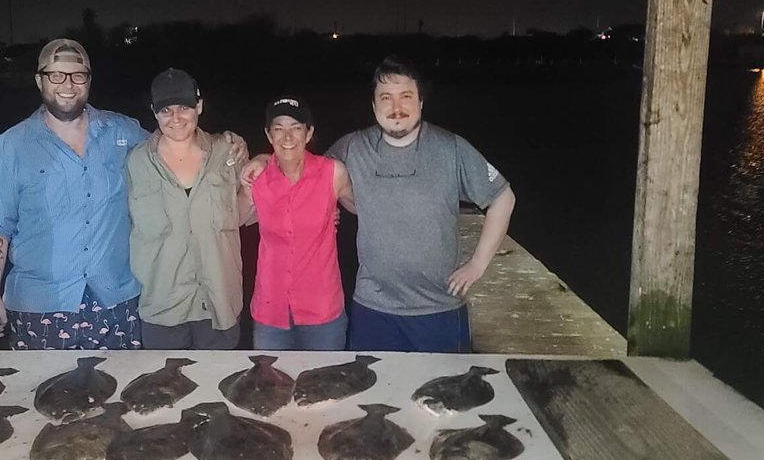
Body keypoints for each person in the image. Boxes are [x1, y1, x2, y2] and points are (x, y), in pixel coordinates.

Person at [243, 57, 515, 353]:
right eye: (386, 98)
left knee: (442, 394)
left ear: (421, 102)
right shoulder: (353, 148)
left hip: (438, 307)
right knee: (372, 396)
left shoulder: (451, 148)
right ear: (374, 106)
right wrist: (262, 160)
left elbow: (503, 196)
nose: (396, 107)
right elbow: (305, 168)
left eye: (406, 96)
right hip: (372, 308)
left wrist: (478, 264)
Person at [0, 38, 148, 349]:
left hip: (116, 302)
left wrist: (230, 147)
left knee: (120, 395)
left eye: (77, 76)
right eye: (56, 75)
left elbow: (176, 149)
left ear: (89, 81)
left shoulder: (123, 132)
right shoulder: (10, 147)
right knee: (39, 395)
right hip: (39, 306)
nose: (67, 85)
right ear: (40, 80)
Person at [126, 68, 251, 349]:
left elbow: (247, 213)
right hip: (162, 309)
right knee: (163, 392)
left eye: (184, 108)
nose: (176, 118)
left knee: (218, 389)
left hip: (220, 305)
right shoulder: (134, 163)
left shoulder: (228, 153)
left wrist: (262, 164)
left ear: (200, 106)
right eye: (166, 110)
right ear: (154, 112)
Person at [246, 96, 356, 350]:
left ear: (309, 134)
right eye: (279, 129)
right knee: (270, 387)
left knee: (327, 387)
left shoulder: (333, 173)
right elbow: (237, 217)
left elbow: (362, 207)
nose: (287, 137)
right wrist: (245, 176)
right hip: (270, 313)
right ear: (269, 134)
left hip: (323, 313)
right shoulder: (257, 176)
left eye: (296, 128)